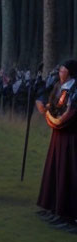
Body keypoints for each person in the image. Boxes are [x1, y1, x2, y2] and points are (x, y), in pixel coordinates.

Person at [35, 59, 77, 227]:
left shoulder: (74, 90)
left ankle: (69, 214)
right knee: (57, 170)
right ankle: (55, 208)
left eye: (62, 70)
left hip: (72, 137)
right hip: (59, 136)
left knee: (69, 172)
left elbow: (68, 114)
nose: (59, 72)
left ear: (70, 73)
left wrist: (49, 115)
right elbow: (52, 105)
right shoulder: (60, 87)